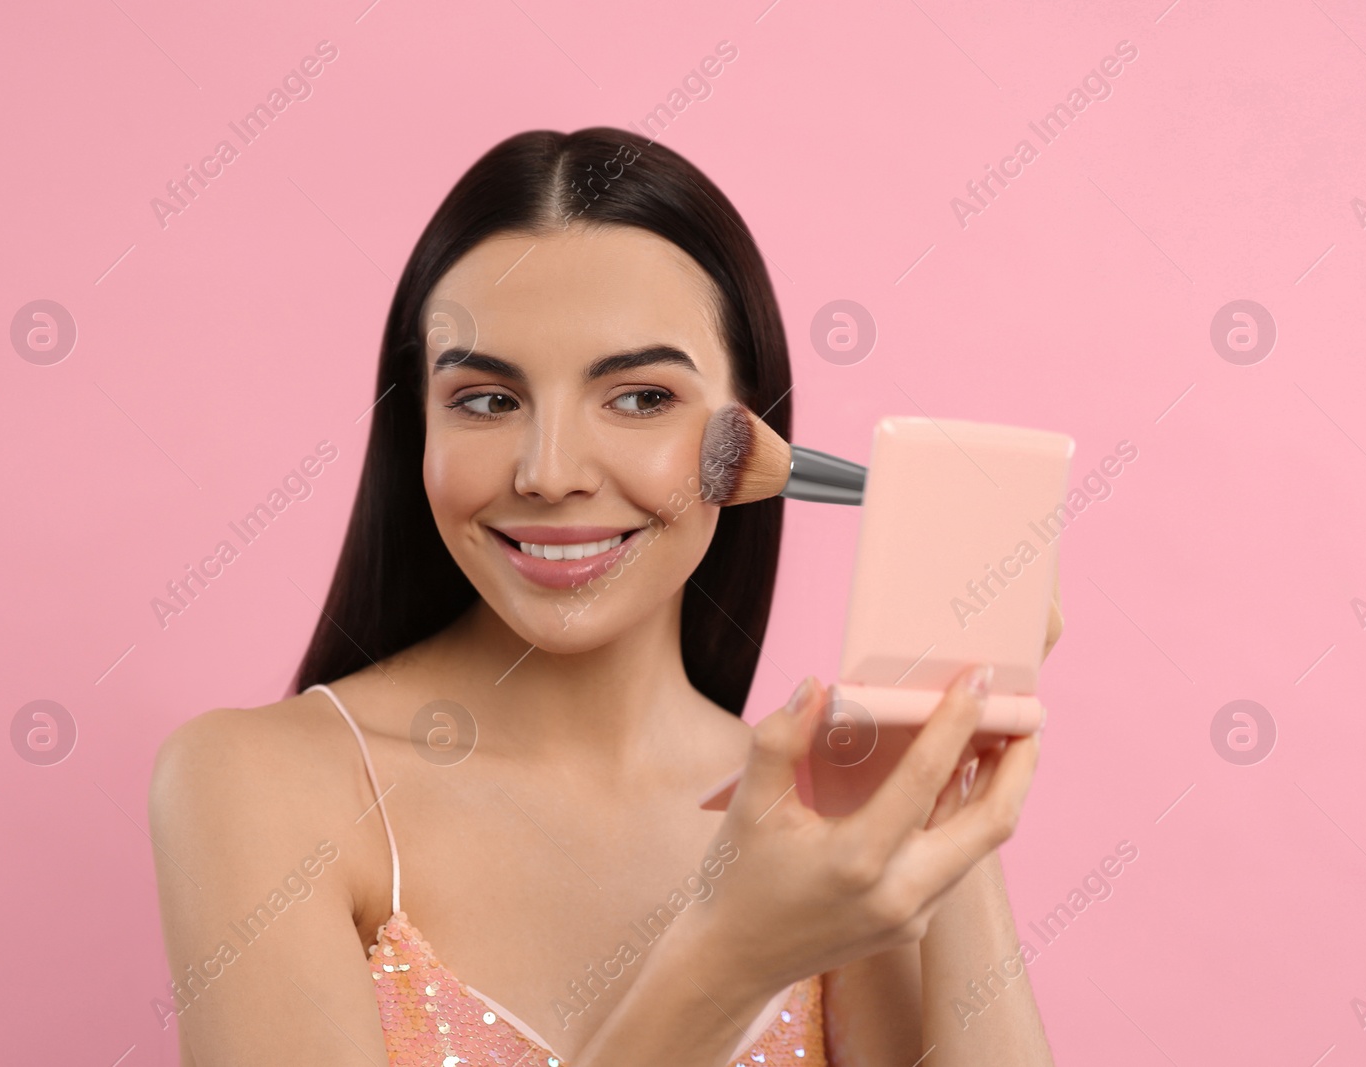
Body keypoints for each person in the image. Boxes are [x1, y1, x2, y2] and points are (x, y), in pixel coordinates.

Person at [149, 127, 1059, 1065]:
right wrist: (726, 961)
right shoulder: (256, 787)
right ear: (415, 425)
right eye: (487, 400)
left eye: (638, 398)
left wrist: (951, 741)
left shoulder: (815, 820)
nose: (549, 474)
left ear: (750, 434)